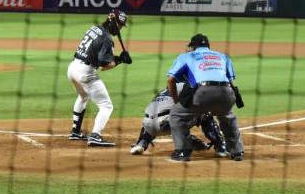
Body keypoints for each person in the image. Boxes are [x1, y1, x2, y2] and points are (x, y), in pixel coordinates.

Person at [166, 34, 244, 162]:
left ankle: (183, 152)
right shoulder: (222, 56)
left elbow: (171, 80)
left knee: (176, 114)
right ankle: (237, 152)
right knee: (228, 117)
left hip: (203, 93)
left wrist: (176, 102)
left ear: (192, 46)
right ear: (208, 46)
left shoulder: (186, 56)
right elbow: (230, 81)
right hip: (226, 93)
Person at [67, 9, 131, 147]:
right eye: (119, 25)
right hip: (85, 73)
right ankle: (95, 135)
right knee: (106, 106)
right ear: (112, 22)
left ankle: (75, 131)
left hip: (72, 68)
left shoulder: (95, 28)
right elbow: (103, 66)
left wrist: (117, 58)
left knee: (83, 97)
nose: (120, 28)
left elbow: (96, 54)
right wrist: (120, 60)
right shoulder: (107, 39)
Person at [130, 82, 228, 157]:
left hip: (147, 125)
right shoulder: (186, 87)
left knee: (156, 117)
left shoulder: (164, 91)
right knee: (205, 114)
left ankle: (141, 144)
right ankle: (220, 147)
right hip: (166, 124)